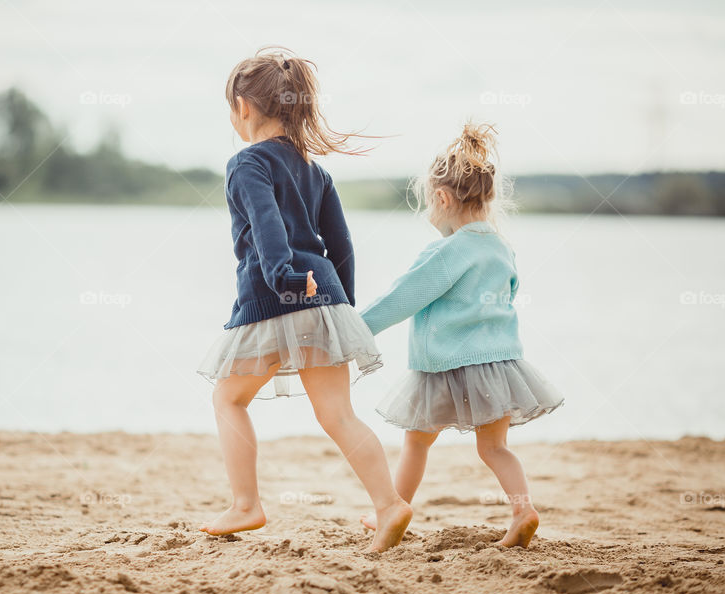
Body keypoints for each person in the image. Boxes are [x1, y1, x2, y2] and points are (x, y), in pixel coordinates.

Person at [196, 48, 412, 552]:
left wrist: (286, 282)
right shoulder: (315, 170)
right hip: (324, 300)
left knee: (228, 397)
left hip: (277, 296)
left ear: (244, 107)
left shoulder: (246, 162)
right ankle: (389, 505)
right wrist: (341, 308)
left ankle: (246, 504)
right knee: (338, 414)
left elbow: (269, 229)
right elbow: (342, 245)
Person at [359, 123, 564, 548]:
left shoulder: (446, 252)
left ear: (442, 198)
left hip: (445, 364)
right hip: (499, 366)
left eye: (428, 206)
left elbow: (405, 297)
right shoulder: (501, 247)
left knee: (416, 442)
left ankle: (393, 510)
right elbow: (508, 295)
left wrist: (358, 330)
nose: (429, 216)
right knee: (495, 448)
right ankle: (522, 509)